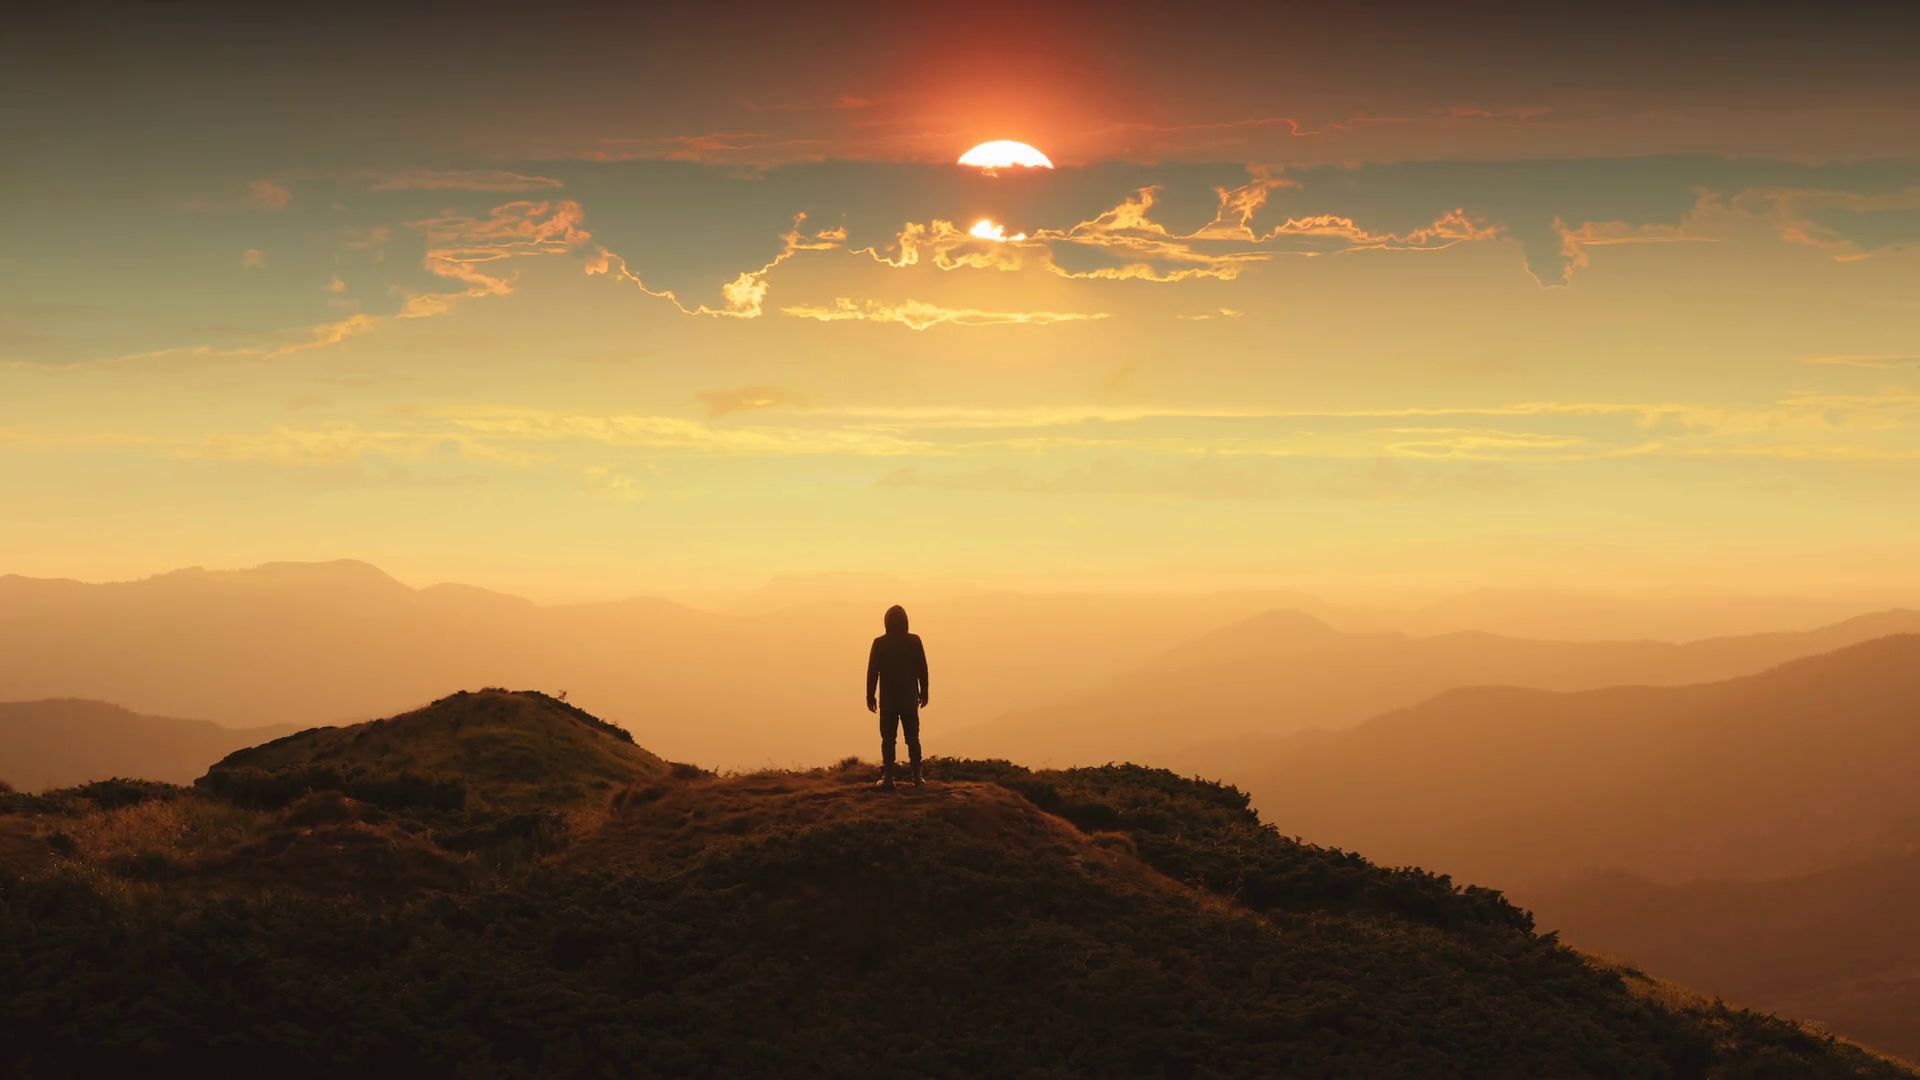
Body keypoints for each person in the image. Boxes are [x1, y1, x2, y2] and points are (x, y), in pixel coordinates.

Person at [866, 604, 929, 789]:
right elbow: (922, 669)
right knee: (913, 738)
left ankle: (888, 778)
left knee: (888, 739)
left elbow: (872, 672)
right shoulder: (914, 641)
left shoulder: (880, 643)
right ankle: (917, 776)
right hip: (909, 698)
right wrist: (924, 692)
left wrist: (870, 695)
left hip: (889, 700)